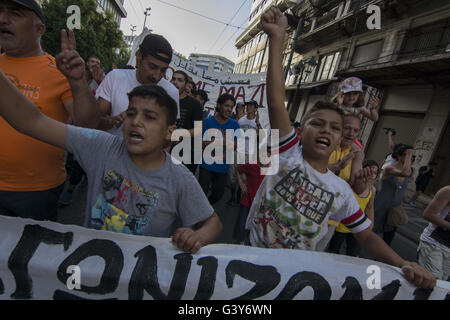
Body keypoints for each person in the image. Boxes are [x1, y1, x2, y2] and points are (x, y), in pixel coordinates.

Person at [247, 6, 435, 289]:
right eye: (317, 123)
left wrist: (403, 263)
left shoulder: (341, 192)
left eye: (335, 128)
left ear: (340, 140)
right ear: (300, 131)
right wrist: (277, 38)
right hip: (248, 260)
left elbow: (368, 236)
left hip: (292, 280)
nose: (326, 130)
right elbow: (275, 99)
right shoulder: (288, 152)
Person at [0, 70, 223, 253]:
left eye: (150, 117)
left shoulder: (179, 177)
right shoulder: (101, 146)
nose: (136, 122)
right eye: (131, 113)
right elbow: (31, 121)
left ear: (169, 132)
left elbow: (213, 222)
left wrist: (197, 236)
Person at [0, 0, 99, 221]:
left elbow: (88, 126)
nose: (3, 19)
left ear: (39, 29)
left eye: (15, 14)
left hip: (36, 193)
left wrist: (79, 83)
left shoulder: (59, 71)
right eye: (1, 12)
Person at [96, 33, 179, 136]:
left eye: (163, 70)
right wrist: (114, 121)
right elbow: (93, 122)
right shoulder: (115, 77)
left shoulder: (171, 92)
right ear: (139, 56)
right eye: (152, 67)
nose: (157, 76)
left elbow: (168, 138)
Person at [327, 160, 379, 257]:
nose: (372, 175)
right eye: (370, 171)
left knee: (353, 254)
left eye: (375, 173)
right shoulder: (352, 183)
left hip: (357, 227)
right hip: (341, 226)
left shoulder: (372, 189)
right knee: (333, 252)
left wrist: (371, 221)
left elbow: (370, 207)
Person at [199, 93, 240, 205]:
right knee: (201, 193)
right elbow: (201, 143)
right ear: (219, 105)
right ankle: (200, 216)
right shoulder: (207, 122)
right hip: (206, 165)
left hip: (222, 168)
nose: (229, 109)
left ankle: (206, 207)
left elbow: (236, 145)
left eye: (231, 107)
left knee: (218, 195)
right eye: (227, 106)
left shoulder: (235, 125)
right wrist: (219, 141)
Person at [373, 144, 414, 246]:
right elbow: (404, 172)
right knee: (371, 234)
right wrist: (409, 154)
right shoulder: (389, 169)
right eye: (405, 155)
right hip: (381, 206)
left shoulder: (409, 171)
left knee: (388, 238)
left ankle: (380, 259)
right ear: (398, 156)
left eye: (412, 156)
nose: (410, 158)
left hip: (394, 209)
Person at [170, 70, 203, 174]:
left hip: (182, 152)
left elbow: (198, 129)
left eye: (180, 80)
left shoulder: (194, 104)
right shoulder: (165, 100)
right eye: (173, 79)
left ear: (186, 84)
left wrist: (181, 133)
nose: (175, 82)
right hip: (163, 150)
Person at [417, 185, 450, 281]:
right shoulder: (447, 191)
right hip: (434, 243)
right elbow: (428, 214)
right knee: (430, 282)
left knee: (442, 284)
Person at [327, 114, 364, 190]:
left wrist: (361, 181)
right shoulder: (325, 143)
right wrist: (336, 167)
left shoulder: (356, 153)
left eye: (355, 130)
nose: (351, 134)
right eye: (347, 128)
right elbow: (310, 167)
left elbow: (356, 188)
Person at [234, 161, 266, 244]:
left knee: (255, 227)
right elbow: (238, 169)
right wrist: (241, 184)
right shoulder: (252, 166)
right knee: (242, 225)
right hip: (247, 202)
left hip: (260, 205)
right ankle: (239, 244)